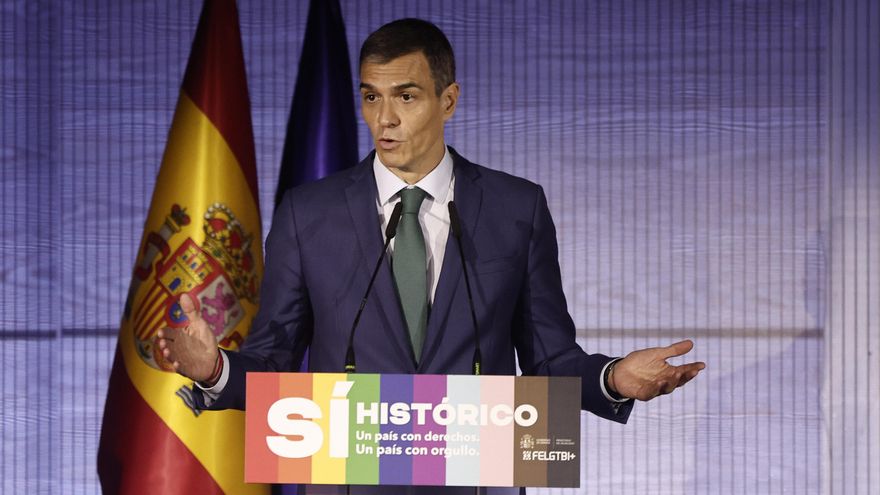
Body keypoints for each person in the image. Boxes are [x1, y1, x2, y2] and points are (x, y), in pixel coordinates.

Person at [158, 18, 705, 494]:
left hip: (475, 482)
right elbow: (274, 356)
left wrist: (611, 379)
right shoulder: (309, 214)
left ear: (448, 100)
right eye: (371, 96)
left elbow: (548, 359)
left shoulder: (517, 208)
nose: (384, 119)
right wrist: (214, 369)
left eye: (406, 95)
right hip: (352, 486)